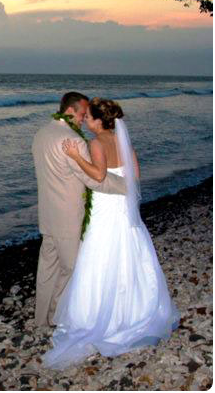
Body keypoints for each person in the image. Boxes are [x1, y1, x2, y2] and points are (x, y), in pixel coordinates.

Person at [43, 98, 180, 369]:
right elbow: (135, 178)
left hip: (106, 208)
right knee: (128, 253)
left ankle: (95, 317)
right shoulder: (124, 142)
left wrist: (75, 157)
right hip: (123, 209)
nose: (86, 121)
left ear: (97, 120)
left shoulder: (96, 143)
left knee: (100, 254)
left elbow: (98, 174)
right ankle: (135, 310)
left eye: (89, 117)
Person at [32, 92, 126, 327]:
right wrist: (126, 186)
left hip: (47, 215)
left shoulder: (40, 134)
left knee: (47, 270)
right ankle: (56, 316)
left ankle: (40, 318)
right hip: (68, 218)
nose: (84, 119)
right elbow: (93, 179)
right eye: (83, 114)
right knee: (72, 268)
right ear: (71, 110)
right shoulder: (72, 141)